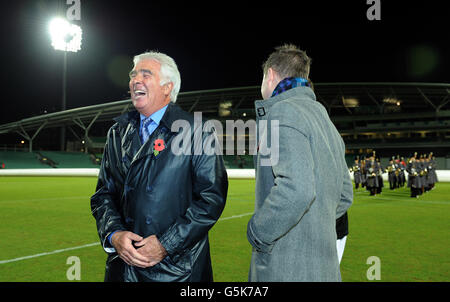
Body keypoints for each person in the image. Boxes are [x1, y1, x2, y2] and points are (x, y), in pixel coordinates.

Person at [91, 51, 228, 282]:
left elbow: (210, 199)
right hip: (123, 269)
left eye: (146, 74)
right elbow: (103, 194)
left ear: (167, 87)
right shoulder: (117, 132)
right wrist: (114, 234)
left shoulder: (197, 131)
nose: (136, 80)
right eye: (133, 75)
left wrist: (166, 244)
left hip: (176, 271)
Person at [247, 44, 353, 282]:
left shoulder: (282, 112)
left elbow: (297, 190)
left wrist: (258, 231)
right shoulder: (324, 118)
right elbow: (345, 194)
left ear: (271, 74)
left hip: (286, 266)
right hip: (324, 265)